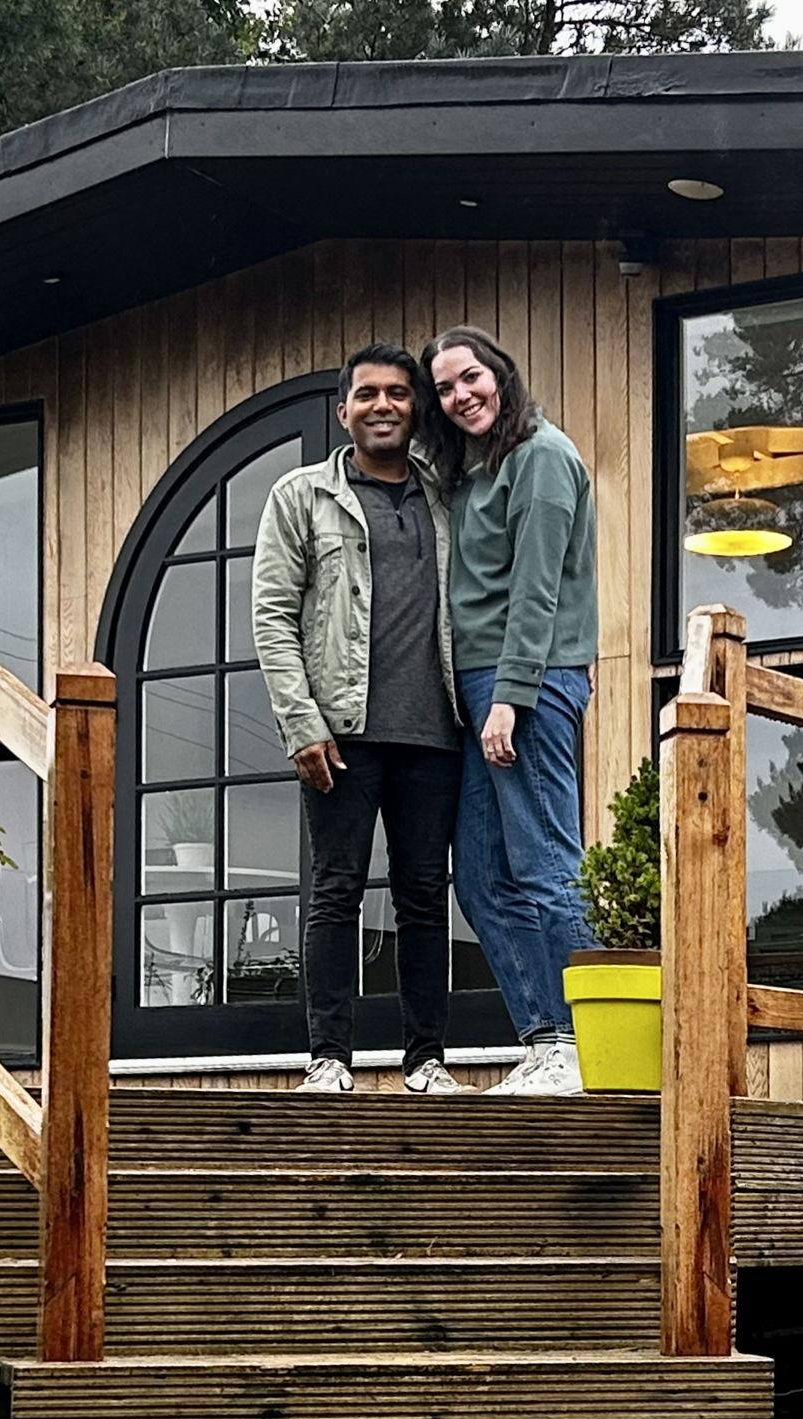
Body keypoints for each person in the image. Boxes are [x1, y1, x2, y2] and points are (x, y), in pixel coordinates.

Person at [252, 344, 467, 1095]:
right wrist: (301, 721)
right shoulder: (302, 496)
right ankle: (329, 1059)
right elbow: (273, 615)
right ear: (343, 409)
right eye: (368, 393)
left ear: (416, 409)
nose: (384, 404)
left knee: (422, 896)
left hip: (436, 734)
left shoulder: (447, 497)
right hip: (339, 735)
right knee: (336, 891)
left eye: (399, 394)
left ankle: (426, 1061)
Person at [420, 325, 598, 1096]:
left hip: (529, 682)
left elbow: (538, 589)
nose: (462, 396)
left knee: (545, 861)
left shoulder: (543, 459)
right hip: (478, 688)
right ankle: (547, 1036)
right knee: (483, 874)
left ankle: (588, 1042)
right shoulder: (473, 473)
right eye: (447, 388)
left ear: (501, 373)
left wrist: (511, 702)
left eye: (471, 378)